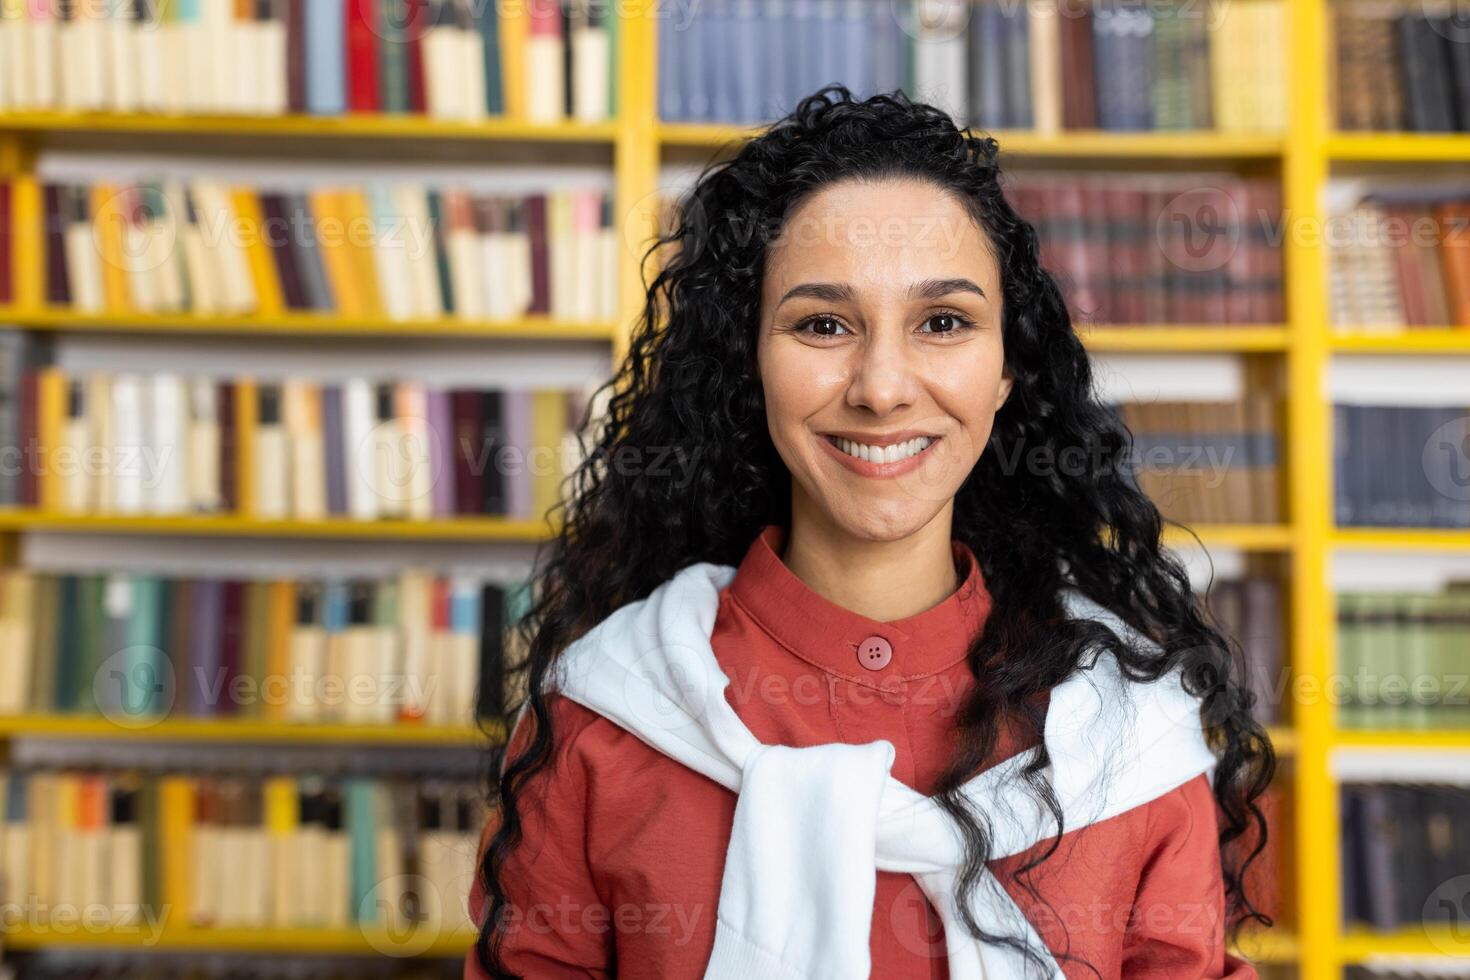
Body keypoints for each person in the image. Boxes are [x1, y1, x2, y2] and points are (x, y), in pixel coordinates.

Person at [465, 84, 1275, 979]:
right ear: (752, 364)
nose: (882, 387)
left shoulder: (1131, 729)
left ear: (1007, 370)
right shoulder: (598, 715)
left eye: (942, 322)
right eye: (822, 324)